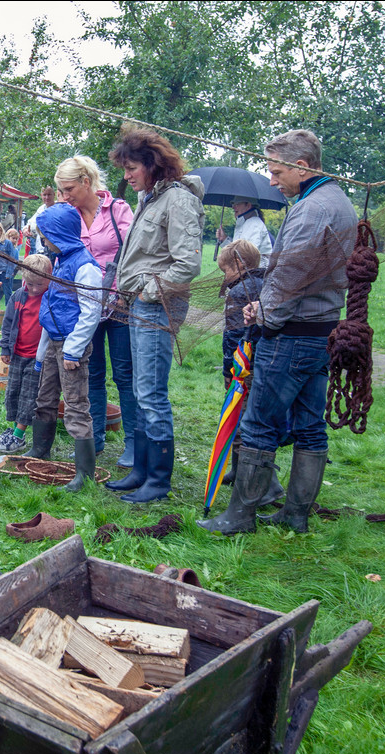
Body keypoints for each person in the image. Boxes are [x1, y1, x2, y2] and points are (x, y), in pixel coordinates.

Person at [200, 129, 356, 535]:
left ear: (301, 167)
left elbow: (289, 274)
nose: (271, 181)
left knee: (259, 424)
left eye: (275, 172)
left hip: (291, 335)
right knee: (308, 425)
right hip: (322, 330)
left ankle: (240, 515)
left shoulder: (309, 210)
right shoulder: (338, 201)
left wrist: (263, 313)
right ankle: (296, 514)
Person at [103, 125, 204, 503]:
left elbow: (186, 265)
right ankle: (142, 471)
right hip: (136, 304)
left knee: (151, 393)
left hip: (156, 306)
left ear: (153, 164)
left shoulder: (177, 200)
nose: (126, 176)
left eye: (131, 168)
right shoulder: (151, 199)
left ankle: (159, 481)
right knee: (137, 388)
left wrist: (145, 291)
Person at [54, 155, 136, 467]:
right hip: (85, 310)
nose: (64, 195)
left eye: (69, 188)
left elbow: (132, 253)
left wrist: (123, 292)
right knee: (94, 374)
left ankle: (132, 443)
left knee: (125, 375)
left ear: (87, 182)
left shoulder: (118, 211)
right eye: (61, 190)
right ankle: (96, 438)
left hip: (118, 307)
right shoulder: (67, 214)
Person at [24, 204, 104, 492]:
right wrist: (40, 353)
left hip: (72, 349)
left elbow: (91, 312)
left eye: (47, 235)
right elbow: (52, 310)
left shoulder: (85, 267)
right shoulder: (59, 260)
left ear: (60, 233)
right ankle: (40, 450)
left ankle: (84, 474)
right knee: (44, 398)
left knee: (75, 405)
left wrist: (72, 350)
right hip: (53, 345)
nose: (44, 241)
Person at [208, 239, 281, 503]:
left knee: (242, 421)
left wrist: (229, 367)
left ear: (239, 264)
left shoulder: (240, 291)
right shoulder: (265, 283)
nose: (224, 277)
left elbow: (234, 334)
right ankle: (239, 471)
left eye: (225, 270)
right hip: (261, 362)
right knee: (248, 418)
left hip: (243, 367)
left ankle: (267, 484)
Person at [0, 257, 51, 454]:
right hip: (18, 354)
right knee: (14, 392)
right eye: (30, 284)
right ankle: (14, 429)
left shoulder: (51, 297)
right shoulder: (18, 296)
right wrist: (5, 349)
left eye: (40, 284)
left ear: (50, 279)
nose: (35, 289)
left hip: (38, 358)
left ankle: (19, 435)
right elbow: (8, 324)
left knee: (29, 395)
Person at [24, 185, 55, 254]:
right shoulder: (41, 209)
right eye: (44, 195)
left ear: (54, 194)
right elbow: (30, 223)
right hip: (40, 249)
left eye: (49, 194)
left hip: (53, 250)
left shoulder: (58, 208)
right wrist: (25, 230)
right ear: (41, 195)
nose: (46, 197)